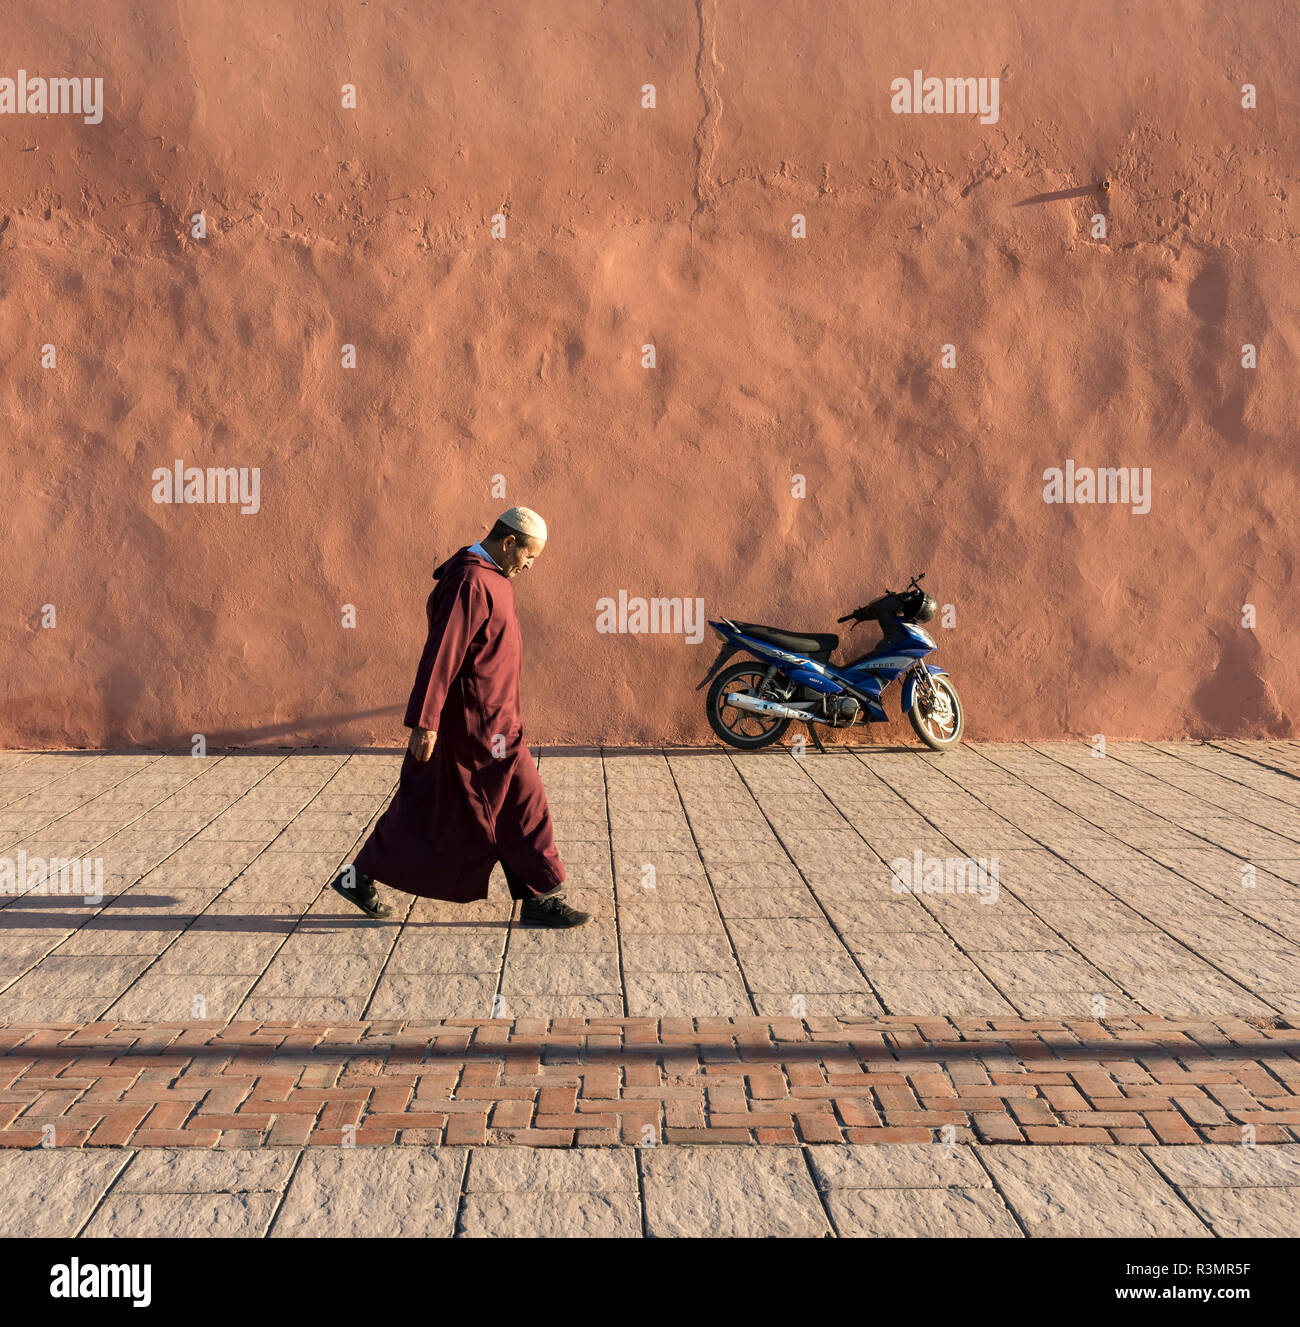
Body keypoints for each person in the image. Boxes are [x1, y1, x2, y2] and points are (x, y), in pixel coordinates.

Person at [328, 506, 589, 928]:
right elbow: (442, 652)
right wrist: (425, 722)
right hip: (476, 728)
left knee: (504, 805)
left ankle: (538, 897)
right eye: (529, 556)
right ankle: (540, 897)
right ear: (508, 543)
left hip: (500, 723)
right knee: (493, 806)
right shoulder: (471, 581)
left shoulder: (491, 578)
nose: (530, 566)